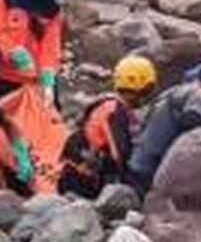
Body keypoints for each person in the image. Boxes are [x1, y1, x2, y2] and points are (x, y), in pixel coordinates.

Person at [128, 60, 201, 195]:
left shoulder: (177, 90)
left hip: (139, 159)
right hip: (152, 167)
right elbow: (192, 123)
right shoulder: (200, 95)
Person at [59, 55, 158, 199]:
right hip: (81, 182)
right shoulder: (114, 112)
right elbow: (120, 155)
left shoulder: (111, 104)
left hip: (80, 175)